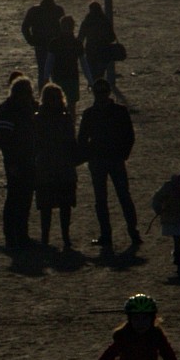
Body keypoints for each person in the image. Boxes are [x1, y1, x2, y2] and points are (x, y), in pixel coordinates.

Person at [79, 78, 142, 251]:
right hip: (104, 160)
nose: (101, 96)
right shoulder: (108, 112)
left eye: (102, 92)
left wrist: (122, 154)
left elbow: (129, 136)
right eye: (98, 93)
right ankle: (111, 234)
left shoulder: (100, 113)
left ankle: (129, 231)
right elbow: (82, 140)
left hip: (111, 159)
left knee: (119, 196)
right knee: (106, 199)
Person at [0, 75, 41, 248]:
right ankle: (11, 235)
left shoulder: (28, 108)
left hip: (29, 159)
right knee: (15, 197)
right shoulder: (8, 110)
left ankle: (22, 233)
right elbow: (4, 139)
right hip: (16, 161)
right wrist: (11, 162)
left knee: (25, 197)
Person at [36, 85, 82, 251]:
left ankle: (50, 237)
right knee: (60, 205)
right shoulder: (63, 118)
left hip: (50, 167)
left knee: (55, 206)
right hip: (59, 166)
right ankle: (60, 237)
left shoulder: (41, 118)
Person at [150, 159, 180, 277]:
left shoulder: (179, 187)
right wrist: (158, 208)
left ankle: (178, 258)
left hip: (178, 217)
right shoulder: (173, 187)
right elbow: (157, 198)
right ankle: (178, 258)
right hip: (174, 217)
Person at [24, 0, 68, 87]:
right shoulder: (58, 10)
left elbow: (25, 27)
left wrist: (31, 40)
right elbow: (65, 28)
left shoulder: (35, 10)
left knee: (44, 72)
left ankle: (44, 96)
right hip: (51, 46)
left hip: (44, 45)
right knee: (54, 72)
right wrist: (31, 40)